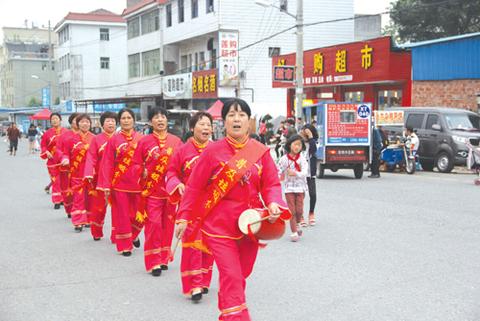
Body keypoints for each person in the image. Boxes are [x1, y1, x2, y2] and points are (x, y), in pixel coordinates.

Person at [174, 98, 289, 321]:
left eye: (241, 115)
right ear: (224, 121)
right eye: (231, 115)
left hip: (251, 223)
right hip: (218, 225)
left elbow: (271, 184)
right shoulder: (212, 152)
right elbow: (194, 187)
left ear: (249, 121)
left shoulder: (261, 151)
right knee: (232, 274)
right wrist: (183, 217)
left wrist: (274, 202)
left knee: (241, 274)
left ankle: (228, 314)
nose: (236, 119)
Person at [166, 111, 214, 301]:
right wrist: (176, 184)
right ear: (192, 128)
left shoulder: (218, 149)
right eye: (202, 124)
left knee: (210, 243)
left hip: (213, 204)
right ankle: (194, 284)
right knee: (192, 244)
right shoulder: (182, 151)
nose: (206, 128)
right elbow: (171, 172)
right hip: (191, 204)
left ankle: (204, 280)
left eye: (209, 125)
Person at [132, 107, 182, 276]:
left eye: (163, 117)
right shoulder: (144, 142)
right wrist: (142, 171)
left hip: (170, 192)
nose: (160, 120)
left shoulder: (176, 141)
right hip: (152, 191)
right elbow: (134, 164)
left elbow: (183, 164)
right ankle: (153, 262)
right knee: (153, 224)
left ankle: (163, 257)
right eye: (156, 117)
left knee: (167, 225)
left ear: (167, 120)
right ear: (151, 121)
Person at [97, 108, 143, 257]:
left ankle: (133, 234)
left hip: (139, 184)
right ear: (119, 121)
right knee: (122, 215)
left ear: (134, 120)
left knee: (138, 215)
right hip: (120, 184)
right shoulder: (114, 140)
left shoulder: (142, 139)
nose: (126, 120)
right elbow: (107, 163)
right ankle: (125, 245)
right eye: (123, 118)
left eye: (129, 117)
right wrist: (106, 185)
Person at [84, 111, 117, 241]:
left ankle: (117, 235)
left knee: (118, 209)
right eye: (108, 121)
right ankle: (96, 231)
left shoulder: (121, 138)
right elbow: (91, 157)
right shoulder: (97, 140)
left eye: (113, 121)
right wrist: (88, 173)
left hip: (118, 179)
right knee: (98, 207)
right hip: (100, 179)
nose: (111, 123)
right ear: (102, 124)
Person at [60, 113, 94, 232]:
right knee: (78, 198)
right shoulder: (71, 139)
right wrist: (65, 159)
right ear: (77, 124)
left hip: (91, 175)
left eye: (87, 122)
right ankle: (78, 221)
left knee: (90, 198)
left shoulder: (94, 138)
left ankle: (89, 219)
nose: (85, 124)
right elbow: (65, 153)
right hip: (76, 174)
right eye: (82, 122)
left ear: (91, 124)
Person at [277, 134, 309, 242]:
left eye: (299, 145)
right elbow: (278, 171)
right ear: (290, 145)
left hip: (300, 188)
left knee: (299, 210)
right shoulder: (283, 159)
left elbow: (305, 173)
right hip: (289, 188)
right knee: (292, 211)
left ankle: (298, 223)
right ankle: (294, 232)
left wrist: (295, 173)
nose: (297, 147)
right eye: (295, 144)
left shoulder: (303, 159)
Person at [40, 113, 67, 209]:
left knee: (64, 181)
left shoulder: (66, 132)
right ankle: (57, 200)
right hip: (52, 161)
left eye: (56, 118)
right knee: (55, 180)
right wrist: (46, 151)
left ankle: (64, 199)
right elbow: (43, 145)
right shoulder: (47, 133)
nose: (54, 120)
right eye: (52, 119)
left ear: (60, 120)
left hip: (64, 161)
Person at [56, 113, 80, 217]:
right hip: (66, 168)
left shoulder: (86, 136)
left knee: (80, 192)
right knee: (67, 191)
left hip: (80, 169)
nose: (78, 122)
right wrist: (64, 158)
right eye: (75, 120)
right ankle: (69, 208)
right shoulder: (64, 136)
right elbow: (58, 150)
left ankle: (80, 212)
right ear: (71, 122)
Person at [300, 125, 318, 226]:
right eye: (304, 131)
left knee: (313, 194)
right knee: (300, 196)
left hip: (310, 174)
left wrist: (310, 137)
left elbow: (314, 150)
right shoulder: (299, 142)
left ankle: (311, 213)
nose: (304, 133)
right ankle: (300, 215)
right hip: (300, 174)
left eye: (306, 132)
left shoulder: (314, 142)